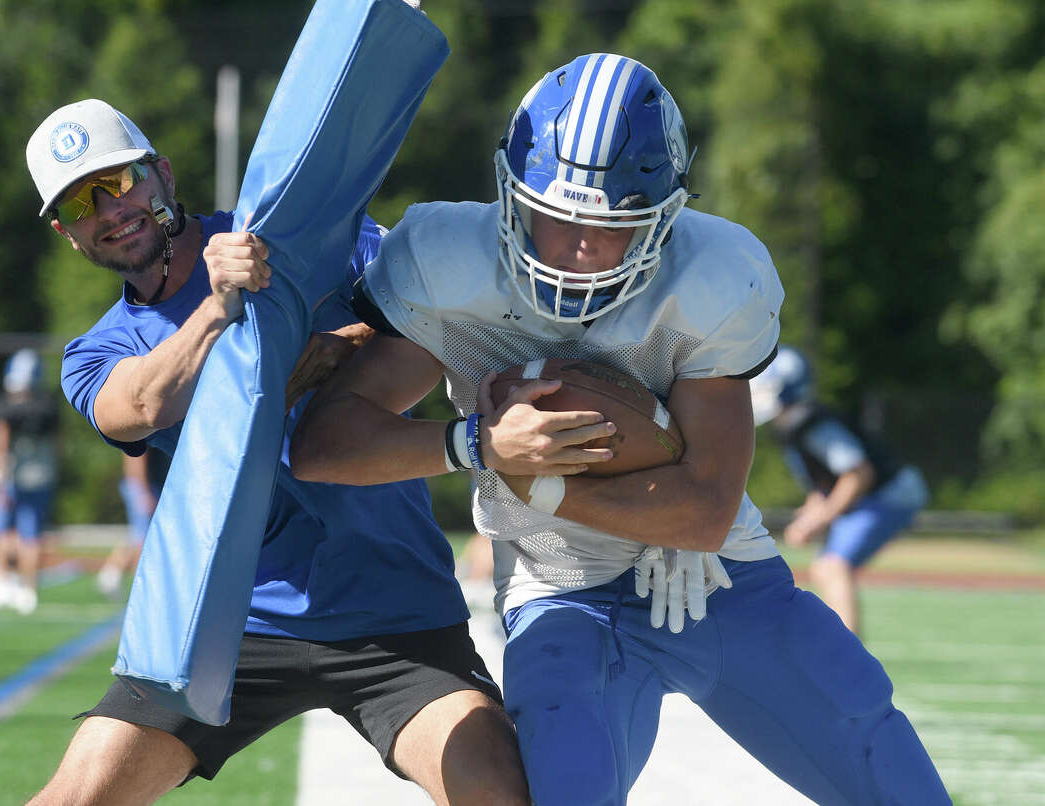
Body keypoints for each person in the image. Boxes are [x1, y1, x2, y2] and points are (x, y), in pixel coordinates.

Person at [290, 53, 950, 805]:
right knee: (566, 788)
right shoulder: (445, 258)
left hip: (718, 578)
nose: (579, 248)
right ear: (511, 192)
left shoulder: (715, 272)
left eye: (611, 226)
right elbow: (324, 445)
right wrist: (473, 443)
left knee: (887, 768)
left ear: (665, 217)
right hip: (561, 586)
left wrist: (534, 484)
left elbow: (703, 514)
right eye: (558, 216)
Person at [22, 88, 530, 801]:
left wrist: (334, 350)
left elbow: (431, 315)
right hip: (227, 626)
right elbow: (137, 405)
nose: (109, 210)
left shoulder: (298, 232)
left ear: (162, 172)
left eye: (119, 181)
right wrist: (217, 312)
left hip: (393, 609)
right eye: (80, 205)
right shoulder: (94, 352)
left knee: (500, 792)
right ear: (64, 234)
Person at [750, 344, 930, 635]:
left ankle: (849, 658)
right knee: (824, 568)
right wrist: (813, 511)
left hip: (890, 493)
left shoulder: (813, 425)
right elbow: (825, 482)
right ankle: (842, 646)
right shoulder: (796, 426)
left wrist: (820, 518)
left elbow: (857, 474)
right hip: (879, 493)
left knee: (833, 566)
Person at [0, 349, 60, 614]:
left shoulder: (3, 408)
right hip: (42, 476)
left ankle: (4, 580)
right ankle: (28, 589)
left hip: (13, 476)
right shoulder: (48, 407)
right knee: (30, 534)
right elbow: (57, 445)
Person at [96, 448, 170, 600]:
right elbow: (134, 455)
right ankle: (141, 589)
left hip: (147, 484)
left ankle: (112, 571)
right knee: (143, 540)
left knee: (141, 536)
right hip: (143, 486)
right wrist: (142, 490)